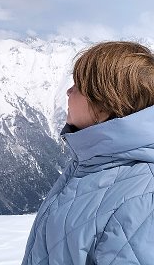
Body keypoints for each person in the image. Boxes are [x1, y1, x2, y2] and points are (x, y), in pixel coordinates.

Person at [21, 41, 154, 264]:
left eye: (78, 86)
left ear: (104, 105)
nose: (68, 91)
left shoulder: (143, 198)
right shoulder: (90, 165)